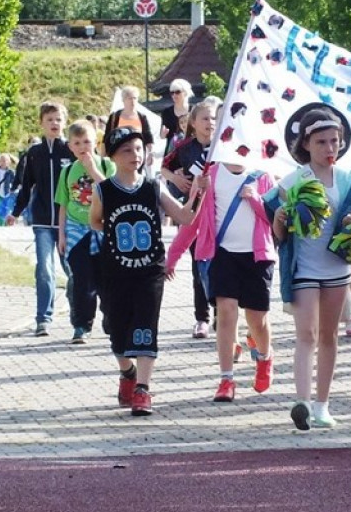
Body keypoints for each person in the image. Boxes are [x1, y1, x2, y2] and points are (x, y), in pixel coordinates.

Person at [265, 107, 351, 430]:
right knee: (306, 334)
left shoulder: (348, 182)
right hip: (304, 268)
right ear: (306, 144)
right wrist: (279, 219)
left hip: (336, 269)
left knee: (330, 336)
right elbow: (279, 236)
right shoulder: (292, 181)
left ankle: (323, 405)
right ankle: (302, 404)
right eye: (321, 142)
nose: (329, 148)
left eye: (335, 141)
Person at [89, 127, 184, 417]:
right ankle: (127, 372)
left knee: (145, 326)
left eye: (139, 149)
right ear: (114, 156)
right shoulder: (103, 189)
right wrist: (117, 233)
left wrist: (201, 193)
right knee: (117, 330)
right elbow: (96, 221)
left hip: (150, 271)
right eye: (127, 150)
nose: (135, 155)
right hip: (115, 271)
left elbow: (185, 216)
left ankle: (143, 389)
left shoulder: (154, 186)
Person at [166, 155, 277, 402]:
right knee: (226, 313)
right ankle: (226, 379)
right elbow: (191, 220)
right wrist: (172, 256)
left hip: (257, 257)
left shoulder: (263, 175)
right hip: (223, 254)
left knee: (256, 319)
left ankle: (265, 356)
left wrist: (256, 199)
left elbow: (275, 219)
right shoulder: (209, 176)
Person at [7, 102, 74, 337]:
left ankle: (79, 316)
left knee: (73, 270)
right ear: (41, 123)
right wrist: (15, 212)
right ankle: (43, 318)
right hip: (43, 221)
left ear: (65, 122)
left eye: (58, 119)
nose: (54, 123)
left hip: (69, 222)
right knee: (45, 269)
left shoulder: (71, 150)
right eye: (49, 120)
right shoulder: (34, 154)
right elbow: (27, 187)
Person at [55, 120, 115, 344]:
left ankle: (111, 317)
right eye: (77, 143)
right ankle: (81, 325)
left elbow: (112, 192)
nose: (83, 147)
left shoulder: (107, 165)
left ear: (96, 142)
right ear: (70, 146)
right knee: (82, 279)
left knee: (106, 279)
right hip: (76, 229)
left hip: (102, 228)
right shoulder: (67, 171)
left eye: (87, 142)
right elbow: (62, 204)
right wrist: (61, 235)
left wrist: (93, 170)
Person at [160, 100, 217, 339]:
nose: (210, 123)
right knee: (197, 265)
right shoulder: (184, 148)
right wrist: (175, 179)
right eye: (205, 118)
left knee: (219, 267)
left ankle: (221, 315)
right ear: (193, 123)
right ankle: (201, 318)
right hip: (193, 211)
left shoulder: (224, 146)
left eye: (214, 118)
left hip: (218, 213)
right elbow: (163, 168)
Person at [104, 86, 154, 170]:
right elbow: (106, 138)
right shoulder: (114, 117)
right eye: (129, 98)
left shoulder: (142, 117)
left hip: (137, 156)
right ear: (123, 100)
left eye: (135, 98)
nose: (132, 101)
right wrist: (104, 157)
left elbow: (148, 137)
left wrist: (151, 153)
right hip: (119, 155)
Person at [160, 78, 192, 151]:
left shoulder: (194, 110)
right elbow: (162, 136)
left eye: (177, 92)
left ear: (185, 93)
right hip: (171, 151)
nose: (174, 95)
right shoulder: (166, 112)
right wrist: (162, 135)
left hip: (190, 149)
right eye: (172, 92)